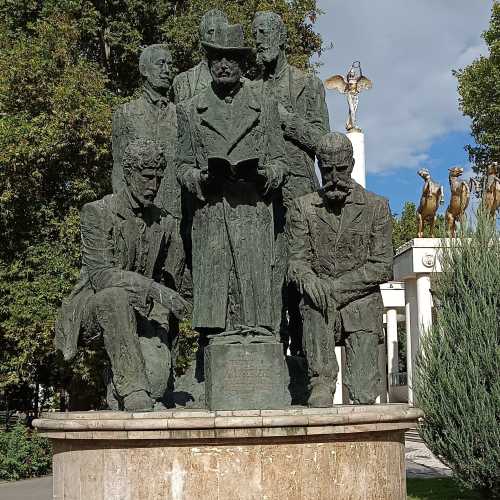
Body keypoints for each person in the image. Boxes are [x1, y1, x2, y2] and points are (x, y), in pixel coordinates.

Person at [56, 138, 191, 411]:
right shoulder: (98, 212)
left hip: (141, 314)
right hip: (94, 310)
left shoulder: (165, 223)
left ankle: (132, 382)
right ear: (129, 175)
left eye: (158, 179)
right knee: (114, 297)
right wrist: (155, 289)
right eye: (146, 177)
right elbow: (101, 275)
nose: (153, 186)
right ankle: (132, 388)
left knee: (157, 383)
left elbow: (177, 280)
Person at [176, 23, 287, 339]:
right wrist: (199, 177)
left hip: (253, 212)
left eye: (231, 59)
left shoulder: (264, 105)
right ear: (209, 62)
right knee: (217, 317)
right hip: (211, 214)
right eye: (216, 59)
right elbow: (181, 164)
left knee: (254, 311)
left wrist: (269, 174)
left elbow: (279, 160)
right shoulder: (189, 110)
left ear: (242, 62)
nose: (223, 65)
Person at [287, 132, 393, 406]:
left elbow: (382, 266)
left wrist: (332, 289)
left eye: (341, 169)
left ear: (352, 164)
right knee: (312, 302)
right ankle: (320, 380)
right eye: (327, 170)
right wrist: (309, 280)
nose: (334, 177)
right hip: (320, 309)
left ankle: (362, 383)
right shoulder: (303, 208)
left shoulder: (376, 206)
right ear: (318, 168)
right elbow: (297, 261)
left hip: (361, 304)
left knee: (363, 394)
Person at [252, 11, 330, 352]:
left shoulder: (306, 84)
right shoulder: (250, 90)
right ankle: (268, 351)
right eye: (255, 35)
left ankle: (303, 358)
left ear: (282, 38)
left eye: (265, 33)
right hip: (259, 196)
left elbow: (324, 143)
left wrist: (284, 120)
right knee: (266, 277)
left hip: (299, 192)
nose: (259, 40)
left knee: (299, 277)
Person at [111, 44, 188, 294]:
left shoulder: (182, 116)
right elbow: (118, 168)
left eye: (170, 64)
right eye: (160, 64)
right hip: (137, 218)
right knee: (133, 285)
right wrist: (122, 215)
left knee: (171, 286)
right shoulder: (126, 113)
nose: (167, 70)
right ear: (144, 69)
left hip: (173, 217)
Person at [172, 9, 229, 104]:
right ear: (201, 38)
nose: (214, 38)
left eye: (220, 31)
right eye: (210, 32)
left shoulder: (243, 84)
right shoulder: (184, 81)